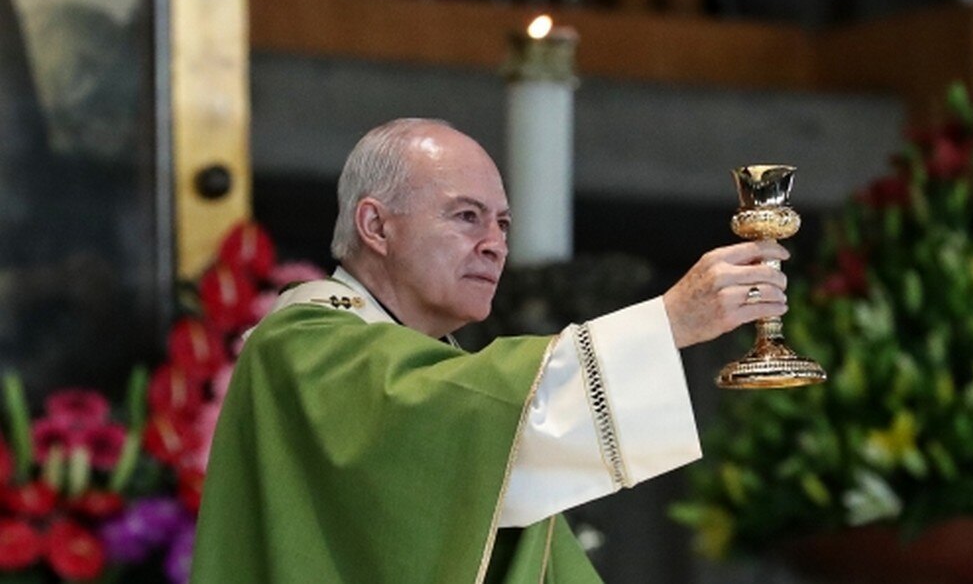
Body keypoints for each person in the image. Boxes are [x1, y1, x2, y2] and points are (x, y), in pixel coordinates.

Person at [190, 118, 789, 583]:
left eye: (502, 224)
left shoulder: (429, 362)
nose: (494, 245)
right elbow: (469, 417)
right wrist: (667, 322)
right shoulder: (305, 345)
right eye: (466, 216)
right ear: (376, 226)